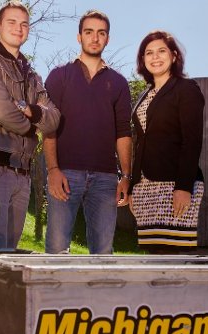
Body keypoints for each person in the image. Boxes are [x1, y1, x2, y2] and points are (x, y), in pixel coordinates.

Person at [0, 1, 60, 252]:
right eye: (11, 22)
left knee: (6, 258)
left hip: (22, 174)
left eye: (24, 24)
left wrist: (32, 110)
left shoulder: (32, 75)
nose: (18, 28)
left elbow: (54, 118)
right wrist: (33, 128)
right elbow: (4, 112)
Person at [43, 10, 132, 254]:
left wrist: (126, 175)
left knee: (103, 253)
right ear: (79, 37)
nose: (95, 38)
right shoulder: (59, 75)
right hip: (65, 174)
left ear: (107, 39)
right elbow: (48, 127)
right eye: (89, 32)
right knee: (57, 250)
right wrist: (52, 170)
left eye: (101, 33)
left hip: (105, 179)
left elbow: (124, 132)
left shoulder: (119, 82)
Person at [129, 30, 205, 253]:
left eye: (161, 51)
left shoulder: (186, 89)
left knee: (176, 257)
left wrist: (183, 186)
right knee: (154, 259)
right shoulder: (146, 94)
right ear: (143, 60)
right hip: (146, 189)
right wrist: (134, 186)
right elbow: (140, 144)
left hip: (175, 185)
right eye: (148, 53)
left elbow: (192, 141)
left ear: (173, 56)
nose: (155, 57)